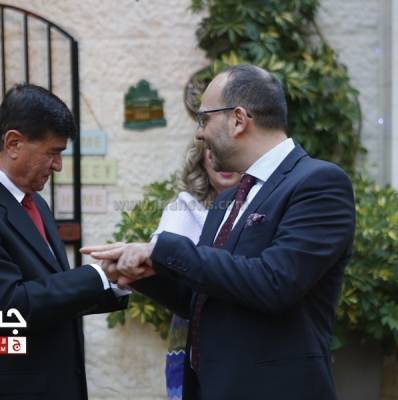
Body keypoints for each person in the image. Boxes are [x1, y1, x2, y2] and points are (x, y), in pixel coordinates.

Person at [82, 64, 356, 400]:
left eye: (204, 119)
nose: (200, 134)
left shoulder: (318, 182)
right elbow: (202, 300)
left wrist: (162, 248)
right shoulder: (228, 199)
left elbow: (275, 283)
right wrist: (141, 273)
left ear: (238, 119)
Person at [0, 84, 128, 400]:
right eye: (52, 152)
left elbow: (49, 293)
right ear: (13, 143)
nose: (58, 165)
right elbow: (9, 306)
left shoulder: (33, 201)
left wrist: (117, 279)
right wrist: (98, 276)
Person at [153, 139, 240, 400]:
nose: (221, 161)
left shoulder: (263, 206)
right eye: (212, 151)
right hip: (191, 336)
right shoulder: (184, 206)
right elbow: (157, 257)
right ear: (201, 159)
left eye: (229, 151)